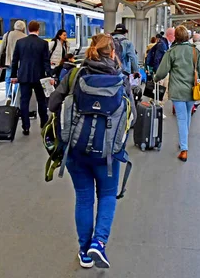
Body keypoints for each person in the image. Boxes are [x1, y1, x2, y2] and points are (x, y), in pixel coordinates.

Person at [48, 33, 135, 269]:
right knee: (107, 195)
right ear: (113, 53)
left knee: (84, 198)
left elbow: (53, 104)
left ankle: (84, 252)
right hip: (107, 153)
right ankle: (99, 242)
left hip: (75, 150)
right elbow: (132, 117)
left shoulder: (75, 74)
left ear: (90, 50)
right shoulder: (120, 78)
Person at [154, 25, 200, 162]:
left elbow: (162, 71)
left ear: (176, 37)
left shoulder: (172, 52)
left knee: (182, 119)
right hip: (192, 91)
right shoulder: (195, 52)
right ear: (188, 37)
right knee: (187, 116)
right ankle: (184, 142)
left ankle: (184, 149)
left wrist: (155, 79)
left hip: (177, 91)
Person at [11, 21, 54, 135]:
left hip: (24, 77)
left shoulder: (20, 42)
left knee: (24, 102)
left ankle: (25, 127)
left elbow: (15, 61)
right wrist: (50, 76)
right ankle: (44, 123)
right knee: (41, 101)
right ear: (38, 29)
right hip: (39, 77)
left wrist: (13, 76)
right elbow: (46, 62)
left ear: (28, 29)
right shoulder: (43, 43)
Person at [0, 20, 27, 103]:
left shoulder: (7, 35)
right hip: (20, 63)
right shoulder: (25, 37)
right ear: (23, 28)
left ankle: (8, 95)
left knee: (8, 79)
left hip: (9, 61)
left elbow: (1, 50)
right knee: (18, 79)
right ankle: (15, 94)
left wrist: (0, 63)